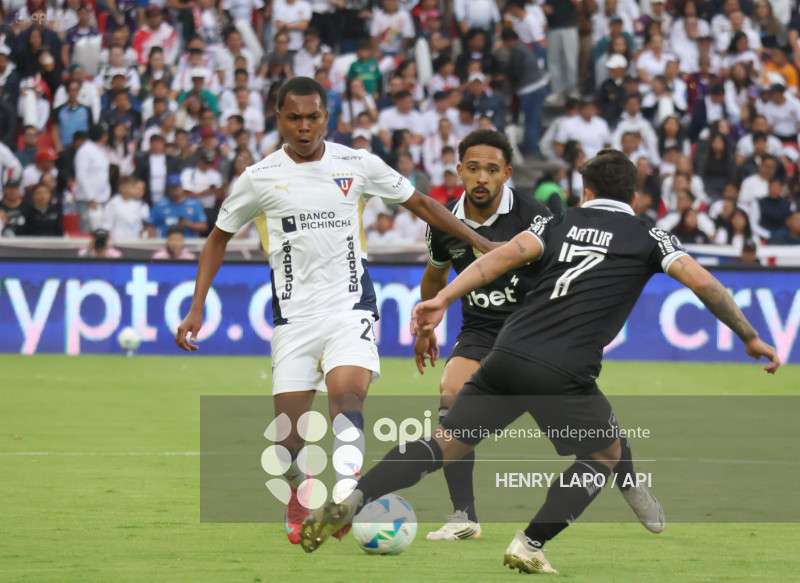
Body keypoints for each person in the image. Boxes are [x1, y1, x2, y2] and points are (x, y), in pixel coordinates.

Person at [299, 150, 781, 573]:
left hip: (506, 354)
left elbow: (498, 259)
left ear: (585, 190)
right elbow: (706, 285)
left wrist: (441, 299)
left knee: (443, 443)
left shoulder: (558, 221)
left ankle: (352, 499)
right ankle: (530, 544)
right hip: (564, 371)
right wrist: (750, 336)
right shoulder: (650, 236)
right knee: (601, 455)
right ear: (634, 195)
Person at [173, 77, 497, 545]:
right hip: (294, 320)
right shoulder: (259, 177)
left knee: (347, 399)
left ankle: (347, 496)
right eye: (294, 118)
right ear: (279, 118)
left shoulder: (357, 164)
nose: (304, 127)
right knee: (287, 444)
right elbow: (217, 239)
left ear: (327, 116)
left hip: (351, 308)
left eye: (313, 117)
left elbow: (422, 203)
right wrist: (197, 305)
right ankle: (299, 491)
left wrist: (481, 242)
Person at [417, 129, 551, 541]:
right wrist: (427, 326)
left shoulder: (535, 215)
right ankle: (464, 516)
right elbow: (436, 274)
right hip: (480, 328)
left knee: (586, 431)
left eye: (491, 170)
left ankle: (626, 474)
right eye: (472, 168)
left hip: (535, 330)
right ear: (459, 170)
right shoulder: (443, 223)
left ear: (506, 174)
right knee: (451, 394)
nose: (481, 178)